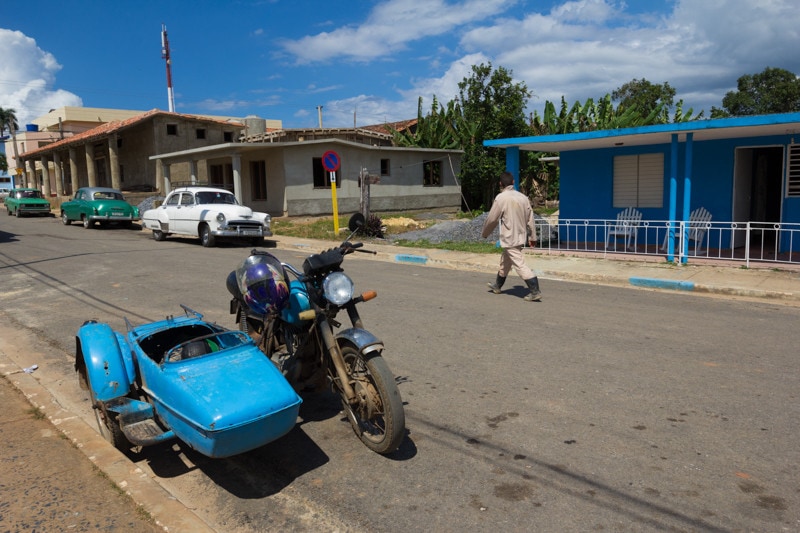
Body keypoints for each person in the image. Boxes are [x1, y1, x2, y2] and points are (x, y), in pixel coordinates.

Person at [480, 171, 542, 301]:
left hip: (509, 237)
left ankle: (535, 290)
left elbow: (492, 219)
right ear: (513, 183)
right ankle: (497, 285)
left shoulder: (501, 198)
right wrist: (533, 237)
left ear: (500, 184)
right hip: (520, 236)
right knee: (505, 261)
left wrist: (485, 233)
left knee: (519, 264)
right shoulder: (523, 198)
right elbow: (531, 219)